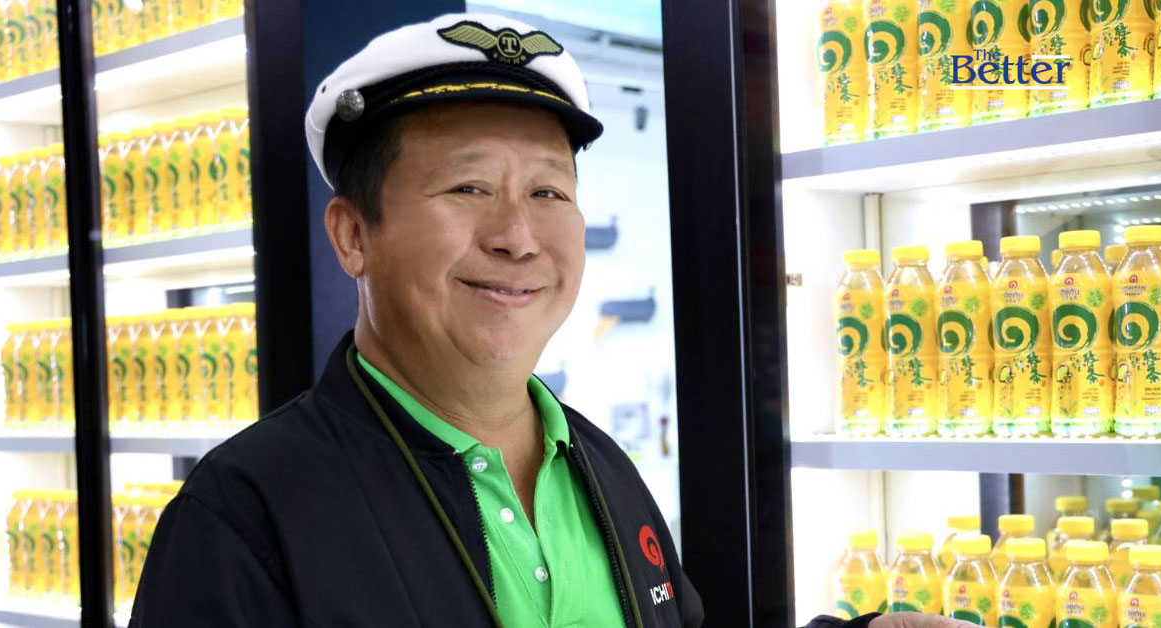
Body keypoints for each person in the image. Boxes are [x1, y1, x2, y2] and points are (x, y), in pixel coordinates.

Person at [129, 12, 973, 628]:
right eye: (469, 187)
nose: (518, 236)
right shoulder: (246, 515)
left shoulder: (599, 468)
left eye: (547, 191)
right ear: (354, 236)